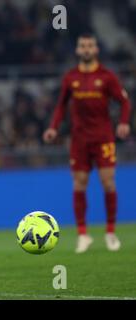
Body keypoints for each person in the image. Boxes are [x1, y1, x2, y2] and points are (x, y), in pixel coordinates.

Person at [43, 34, 131, 253]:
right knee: (79, 183)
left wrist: (123, 123)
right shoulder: (70, 77)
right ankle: (83, 234)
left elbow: (124, 102)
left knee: (108, 183)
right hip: (79, 139)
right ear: (77, 50)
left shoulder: (107, 77)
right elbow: (61, 106)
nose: (86, 49)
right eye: (82, 45)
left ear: (96, 49)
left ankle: (110, 232)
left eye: (90, 45)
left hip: (103, 138)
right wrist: (53, 127)